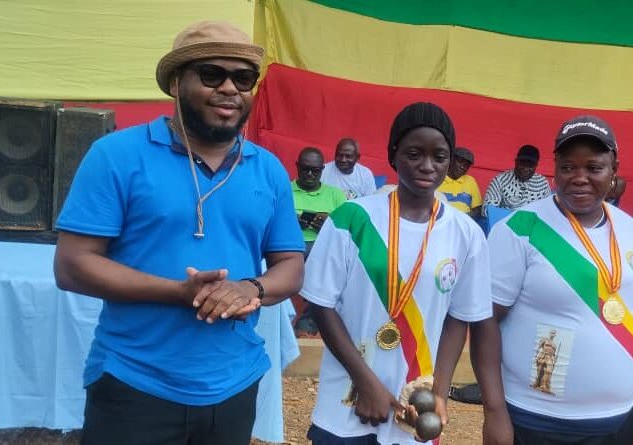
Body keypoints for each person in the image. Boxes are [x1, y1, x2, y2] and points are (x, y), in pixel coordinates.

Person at [52, 21, 305, 444]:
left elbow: (291, 265)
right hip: (134, 382)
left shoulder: (269, 169)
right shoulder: (116, 155)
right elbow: (73, 265)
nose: (230, 88)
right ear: (175, 82)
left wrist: (252, 289)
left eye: (243, 78)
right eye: (212, 74)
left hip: (234, 383)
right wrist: (178, 292)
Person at [301, 102, 511, 444]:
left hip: (414, 406)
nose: (427, 166)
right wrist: (365, 381)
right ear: (393, 154)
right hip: (348, 397)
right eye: (414, 153)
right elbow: (322, 306)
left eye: (439, 156)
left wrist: (437, 393)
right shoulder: (353, 218)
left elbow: (459, 318)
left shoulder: (466, 233)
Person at [489, 115, 633, 445]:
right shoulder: (520, 228)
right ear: (555, 169)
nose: (580, 178)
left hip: (619, 419)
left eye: (593, 168)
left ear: (614, 170)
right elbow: (486, 323)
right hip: (536, 421)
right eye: (568, 167)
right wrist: (494, 412)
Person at [292, 146, 347, 254]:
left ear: (322, 169)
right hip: (291, 246)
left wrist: (329, 226)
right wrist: (289, 222)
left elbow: (347, 230)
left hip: (326, 248)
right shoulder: (283, 191)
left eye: (315, 170)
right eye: (305, 169)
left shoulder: (336, 194)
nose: (309, 174)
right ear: (297, 166)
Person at [483, 145, 551, 214]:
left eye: (530, 165)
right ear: (516, 162)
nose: (526, 169)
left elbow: (547, 211)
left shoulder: (543, 184)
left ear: (536, 166)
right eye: (523, 163)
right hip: (504, 222)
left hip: (533, 223)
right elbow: (487, 210)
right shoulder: (500, 180)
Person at [437, 147, 482, 217]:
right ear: (451, 160)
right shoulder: (437, 178)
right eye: (460, 162)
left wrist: (464, 219)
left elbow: (477, 208)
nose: (463, 167)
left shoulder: (470, 181)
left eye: (467, 165)